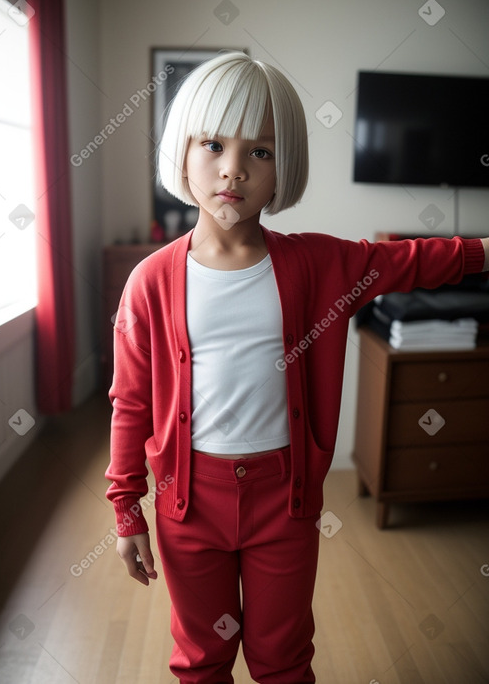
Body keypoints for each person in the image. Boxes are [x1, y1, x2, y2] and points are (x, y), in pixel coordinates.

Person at [105, 51, 489, 683]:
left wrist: (481, 253)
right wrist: (127, 510)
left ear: (285, 169)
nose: (233, 170)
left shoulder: (317, 265)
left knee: (284, 659)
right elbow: (130, 402)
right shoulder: (149, 283)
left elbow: (413, 260)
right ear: (182, 152)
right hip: (186, 501)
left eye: (260, 151)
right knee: (201, 660)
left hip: (284, 501)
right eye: (214, 144)